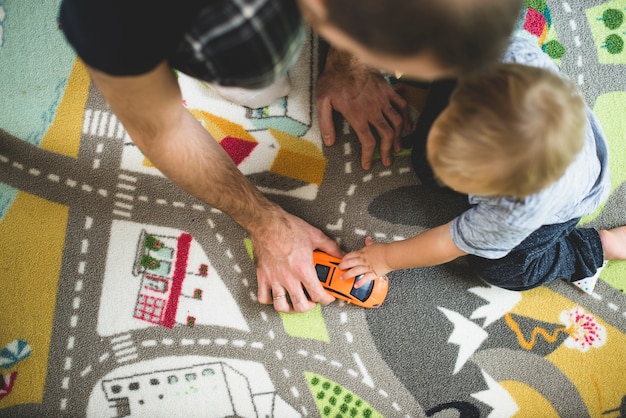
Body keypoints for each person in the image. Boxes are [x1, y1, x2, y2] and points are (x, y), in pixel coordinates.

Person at [58, 0, 523, 312]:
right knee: (258, 93)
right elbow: (161, 130)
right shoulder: (111, 20)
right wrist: (266, 223)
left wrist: (350, 63)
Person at [340, 36, 626, 293]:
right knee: (426, 160)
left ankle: (597, 248)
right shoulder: (504, 51)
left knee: (501, 268)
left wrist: (384, 258)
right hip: (544, 130)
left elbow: (447, 243)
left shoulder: (517, 209)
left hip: (564, 203)